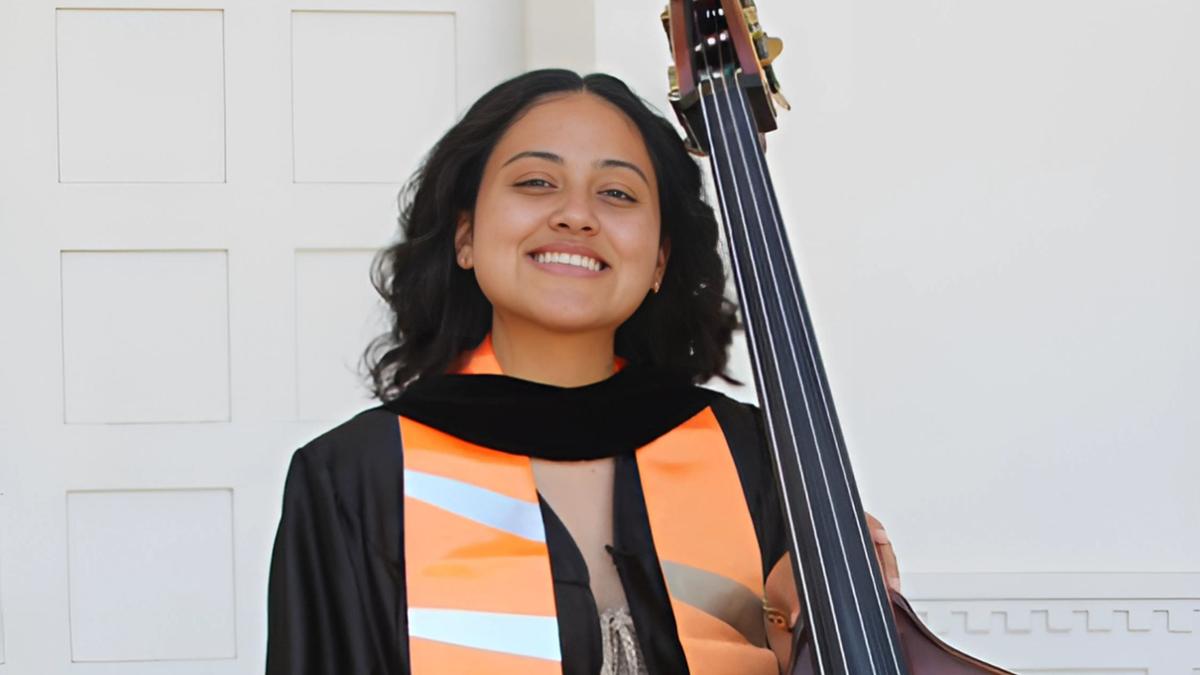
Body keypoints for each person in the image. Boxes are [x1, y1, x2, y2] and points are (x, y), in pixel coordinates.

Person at [265, 69, 900, 675]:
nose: (576, 215)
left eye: (617, 193)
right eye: (536, 183)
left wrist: (825, 635)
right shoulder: (358, 479)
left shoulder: (757, 459)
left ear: (659, 259)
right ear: (465, 235)